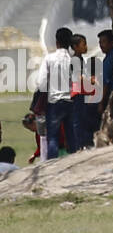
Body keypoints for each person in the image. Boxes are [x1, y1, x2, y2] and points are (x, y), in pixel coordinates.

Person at [35, 27, 77, 159]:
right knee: (71, 135)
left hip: (54, 102)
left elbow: (41, 83)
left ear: (57, 41)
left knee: (53, 136)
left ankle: (52, 164)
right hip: (70, 101)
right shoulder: (73, 60)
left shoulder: (49, 59)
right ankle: (75, 160)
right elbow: (77, 81)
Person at [97, 29, 113, 122]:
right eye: (100, 42)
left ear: (112, 42)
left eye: (104, 42)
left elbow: (106, 83)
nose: (101, 45)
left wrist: (101, 103)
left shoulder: (109, 60)